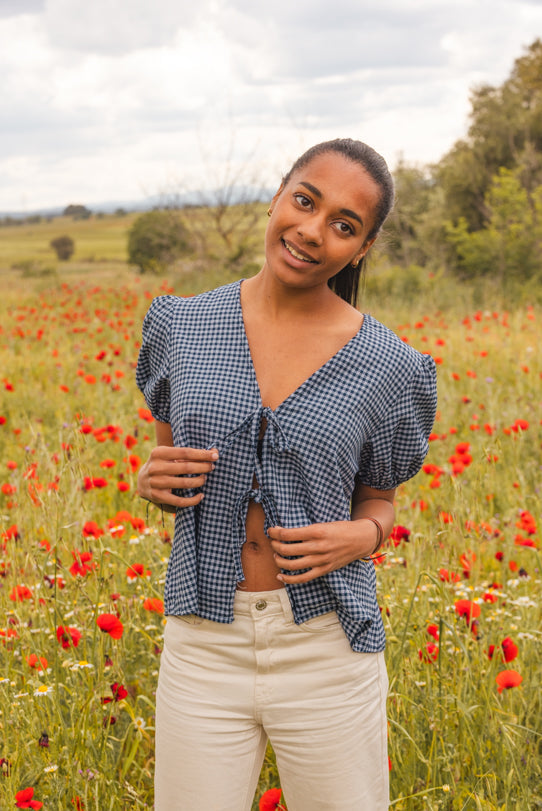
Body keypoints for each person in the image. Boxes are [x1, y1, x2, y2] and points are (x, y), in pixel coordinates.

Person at [136, 138, 437, 811]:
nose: (311, 231)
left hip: (326, 647)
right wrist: (149, 483)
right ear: (278, 196)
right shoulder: (181, 325)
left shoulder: (390, 366)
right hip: (203, 643)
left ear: (361, 248)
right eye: (305, 201)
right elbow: (167, 466)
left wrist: (365, 536)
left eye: (343, 224)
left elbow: (380, 500)